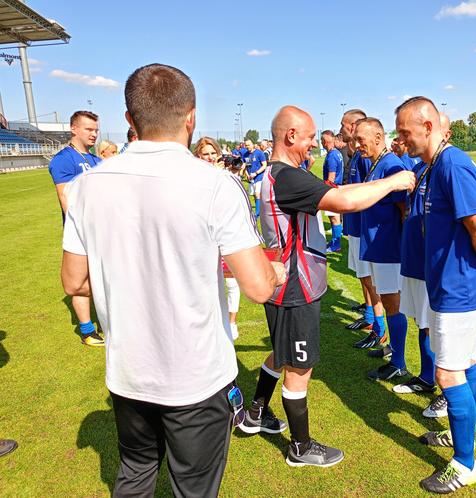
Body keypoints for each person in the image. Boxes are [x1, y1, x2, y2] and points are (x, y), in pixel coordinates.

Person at [60, 63, 285, 497]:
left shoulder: (88, 185)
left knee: (135, 474)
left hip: (129, 372)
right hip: (196, 375)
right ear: (191, 118)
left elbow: (73, 281)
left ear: (129, 119)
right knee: (194, 489)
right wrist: (274, 270)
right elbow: (258, 287)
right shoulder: (215, 184)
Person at [238, 105, 415, 468]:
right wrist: (394, 182)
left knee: (282, 351)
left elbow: (338, 190)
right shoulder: (286, 176)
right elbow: (345, 202)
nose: (313, 146)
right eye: (308, 138)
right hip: (295, 287)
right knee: (299, 367)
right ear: (290, 136)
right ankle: (300, 448)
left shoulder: (279, 175)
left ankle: (256, 411)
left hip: (285, 283)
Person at [396, 97, 476, 494]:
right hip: (450, 285)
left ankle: (465, 463)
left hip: (460, 287)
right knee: (466, 362)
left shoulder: (452, 165)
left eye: (405, 131)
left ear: (427, 125)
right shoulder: (434, 165)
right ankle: (460, 440)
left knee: (447, 371)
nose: (401, 139)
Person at [392, 115, 452, 404]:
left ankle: (446, 390)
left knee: (439, 329)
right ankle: (427, 378)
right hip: (414, 261)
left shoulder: (448, 169)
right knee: (422, 323)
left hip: (434, 267)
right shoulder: (418, 168)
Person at [353, 118, 409, 382]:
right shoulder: (376, 163)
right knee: (387, 302)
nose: (357, 145)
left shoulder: (391, 165)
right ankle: (392, 351)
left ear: (378, 136)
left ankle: (398, 362)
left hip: (388, 248)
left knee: (392, 304)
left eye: (361, 139)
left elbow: (403, 210)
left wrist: (401, 246)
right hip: (377, 245)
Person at [48, 110, 104, 347]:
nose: (94, 134)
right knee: (80, 284)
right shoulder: (63, 159)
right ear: (74, 129)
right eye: (89, 129)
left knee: (104, 279)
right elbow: (65, 198)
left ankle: (108, 324)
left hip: (102, 231)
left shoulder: (97, 161)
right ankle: (87, 330)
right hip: (80, 234)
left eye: (96, 129)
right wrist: (82, 230)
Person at [339, 109, 382, 337]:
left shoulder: (366, 158)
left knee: (369, 278)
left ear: (354, 126)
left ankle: (378, 324)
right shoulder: (356, 155)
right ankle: (369, 315)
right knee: (362, 276)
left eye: (344, 125)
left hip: (363, 228)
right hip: (354, 225)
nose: (341, 130)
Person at [194, 137, 242, 340]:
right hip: (201, 237)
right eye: (206, 154)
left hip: (224, 236)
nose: (210, 157)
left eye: (213, 153)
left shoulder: (226, 176)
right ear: (198, 155)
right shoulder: (192, 177)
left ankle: (231, 322)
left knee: (232, 283)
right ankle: (208, 323)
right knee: (205, 283)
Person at [320, 130, 344, 252]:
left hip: (333, 189)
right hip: (336, 189)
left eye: (321, 140)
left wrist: (324, 191)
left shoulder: (332, 156)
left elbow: (331, 177)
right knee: (334, 217)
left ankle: (336, 244)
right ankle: (335, 242)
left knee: (334, 218)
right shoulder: (336, 153)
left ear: (324, 142)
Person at [245, 139, 267, 217]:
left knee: (257, 194)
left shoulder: (259, 153)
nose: (247, 147)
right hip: (251, 178)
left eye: (248, 145)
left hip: (259, 176)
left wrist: (256, 173)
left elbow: (264, 165)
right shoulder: (245, 155)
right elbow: (245, 166)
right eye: (246, 145)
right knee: (254, 195)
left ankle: (257, 214)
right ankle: (259, 210)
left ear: (253, 144)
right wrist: (247, 175)